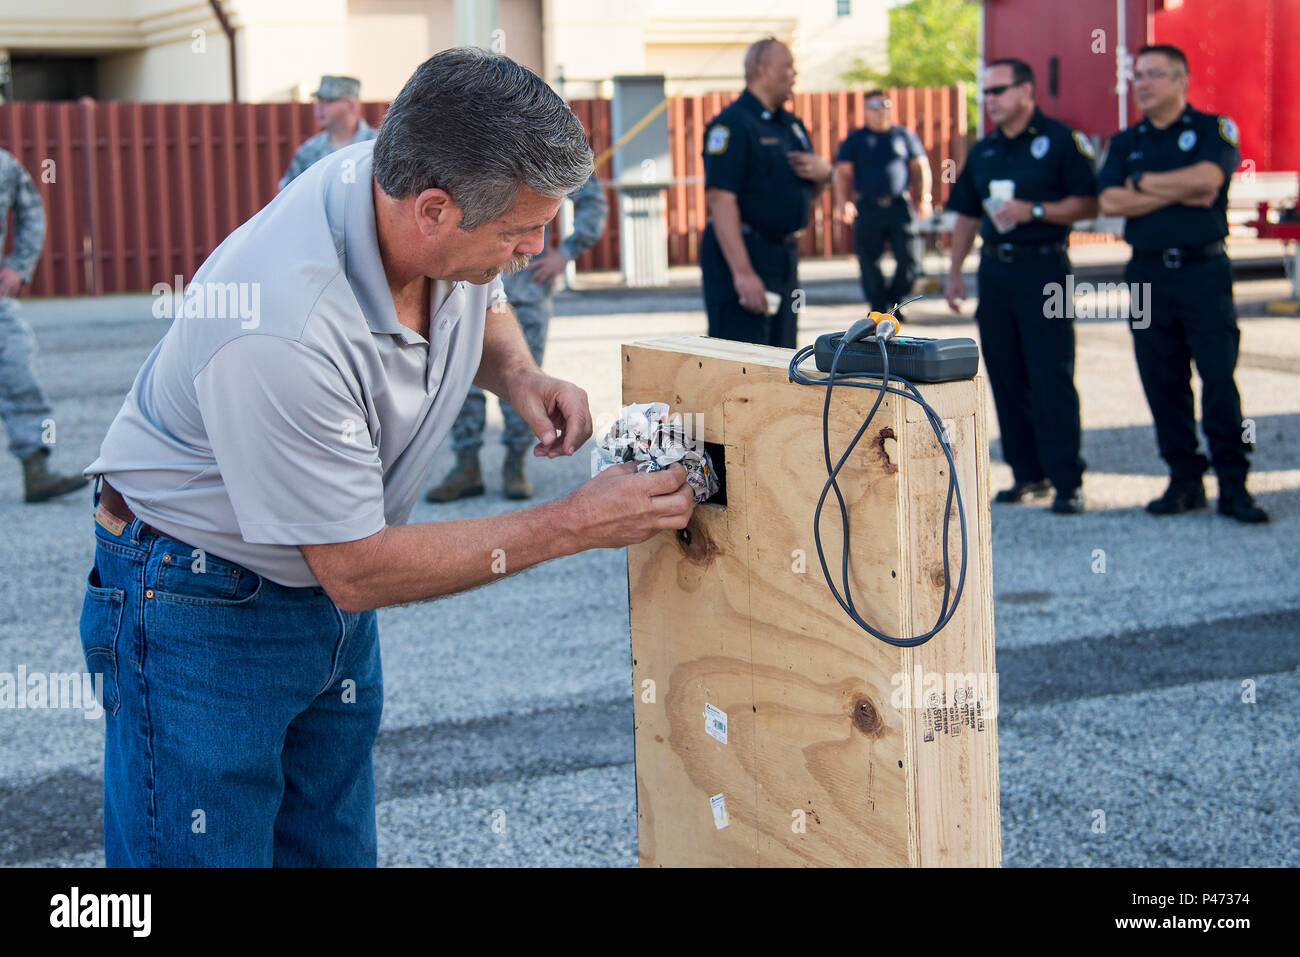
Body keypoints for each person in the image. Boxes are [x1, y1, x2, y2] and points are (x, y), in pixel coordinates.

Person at [79, 49, 695, 868]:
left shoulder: (405, 187)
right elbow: (358, 566)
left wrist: (519, 374)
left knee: (329, 850)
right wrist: (575, 522)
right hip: (199, 599)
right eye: (520, 230)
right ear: (433, 210)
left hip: (319, 586)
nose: (535, 247)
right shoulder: (281, 325)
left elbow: (487, 291)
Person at [1098, 44, 1266, 523]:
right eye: (1137, 76)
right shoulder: (1127, 140)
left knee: (1217, 378)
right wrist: (1176, 187)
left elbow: (1209, 179)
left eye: (1153, 75)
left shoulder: (1212, 129)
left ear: (1180, 80)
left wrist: (1142, 185)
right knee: (1162, 380)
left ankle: (1234, 484)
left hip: (1203, 272)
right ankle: (1184, 480)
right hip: (1148, 273)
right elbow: (1109, 200)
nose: (1142, 84)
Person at [945, 58, 1099, 515]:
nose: (989, 100)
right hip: (996, 272)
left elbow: (1087, 204)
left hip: (1044, 270)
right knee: (1006, 375)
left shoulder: (1060, 141)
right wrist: (955, 272)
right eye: (985, 93)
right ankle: (1028, 475)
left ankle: (1067, 480)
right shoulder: (985, 150)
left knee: (1050, 374)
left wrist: (1034, 211)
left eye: (998, 91)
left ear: (1026, 91)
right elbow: (968, 215)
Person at [427, 172, 608, 502]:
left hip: (526, 286)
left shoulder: (548, 148)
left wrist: (564, 254)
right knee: (461, 377)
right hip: (468, 283)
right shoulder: (472, 145)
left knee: (524, 381)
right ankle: (466, 466)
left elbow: (593, 205)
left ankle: (515, 465)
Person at [699, 37, 833, 349]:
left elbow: (801, 197)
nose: (794, 74)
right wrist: (744, 274)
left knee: (783, 356)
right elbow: (721, 199)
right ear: (764, 70)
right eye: (787, 66)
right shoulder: (732, 125)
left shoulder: (791, 126)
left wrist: (825, 175)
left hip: (783, 256)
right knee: (744, 359)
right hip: (745, 252)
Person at [0, 148, 89, 503]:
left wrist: (19, 265)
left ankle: (36, 471)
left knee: (19, 371)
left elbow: (32, 212)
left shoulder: (4, 165)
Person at [833, 90, 932, 315]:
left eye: (884, 104)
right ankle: (878, 308)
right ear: (866, 110)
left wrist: (925, 198)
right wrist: (843, 202)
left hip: (899, 206)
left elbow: (920, 167)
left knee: (910, 257)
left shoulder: (902, 136)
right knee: (869, 260)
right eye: (874, 106)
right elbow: (842, 173)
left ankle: (895, 302)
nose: (880, 110)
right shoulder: (856, 139)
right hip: (868, 206)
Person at [278, 75, 378, 190]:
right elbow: (288, 191)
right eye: (318, 101)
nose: (318, 107)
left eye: (328, 101)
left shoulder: (375, 145)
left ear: (351, 105)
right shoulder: (310, 150)